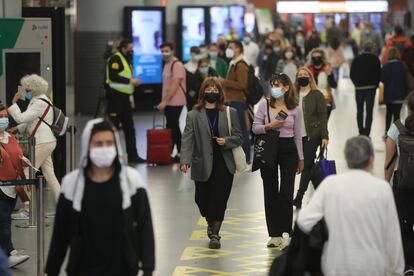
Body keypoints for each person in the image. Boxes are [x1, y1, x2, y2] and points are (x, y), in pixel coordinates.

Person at [45, 119, 155, 276]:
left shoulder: (132, 181)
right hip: (83, 270)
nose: (105, 148)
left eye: (109, 143)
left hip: (122, 269)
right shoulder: (71, 184)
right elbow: (60, 236)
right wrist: (52, 270)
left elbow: (145, 228)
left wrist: (148, 269)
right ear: (87, 146)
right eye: (98, 143)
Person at [297, 136, 404, 276]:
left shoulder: (330, 185)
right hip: (372, 267)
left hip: (335, 266)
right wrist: (396, 271)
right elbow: (392, 236)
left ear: (347, 159)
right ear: (371, 159)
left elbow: (304, 221)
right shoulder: (382, 189)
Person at [180, 78, 243, 249]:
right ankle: (210, 220)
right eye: (209, 88)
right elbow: (187, 139)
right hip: (202, 162)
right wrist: (185, 160)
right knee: (201, 199)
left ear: (220, 93)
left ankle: (215, 234)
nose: (212, 91)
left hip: (224, 162)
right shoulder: (193, 115)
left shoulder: (229, 112)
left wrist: (226, 141)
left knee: (219, 199)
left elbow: (239, 137)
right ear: (203, 92)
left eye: (216, 89)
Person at [252, 73, 304, 249]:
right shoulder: (263, 105)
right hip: (269, 147)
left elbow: (298, 135)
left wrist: (301, 158)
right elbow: (255, 128)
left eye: (279, 85)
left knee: (286, 191)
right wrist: (270, 126)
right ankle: (273, 234)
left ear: (287, 88)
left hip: (288, 149)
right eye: (272, 85)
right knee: (270, 190)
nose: (275, 88)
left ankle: (286, 232)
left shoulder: (295, 108)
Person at [9, 74, 61, 201]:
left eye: (27, 90)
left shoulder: (38, 103)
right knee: (50, 175)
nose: (25, 92)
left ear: (34, 89)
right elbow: (31, 121)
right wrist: (17, 129)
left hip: (43, 142)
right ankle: (62, 205)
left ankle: (28, 208)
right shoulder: (41, 100)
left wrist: (14, 103)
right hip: (47, 141)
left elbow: (21, 118)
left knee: (27, 174)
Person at [385, 91, 414, 272]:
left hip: (402, 185)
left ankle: (409, 265)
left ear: (408, 107)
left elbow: (389, 162)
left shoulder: (397, 127)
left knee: (404, 225)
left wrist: (385, 186)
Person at [292, 67, 329, 209]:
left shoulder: (317, 95)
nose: (302, 76)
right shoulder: (292, 95)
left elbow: (323, 116)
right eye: (299, 75)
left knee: (306, 164)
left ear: (310, 77)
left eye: (304, 74)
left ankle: (299, 197)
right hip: (294, 136)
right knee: (309, 167)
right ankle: (320, 189)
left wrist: (325, 135)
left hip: (312, 136)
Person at [105, 39, 145, 164]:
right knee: (113, 128)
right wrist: (131, 81)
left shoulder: (126, 60)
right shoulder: (116, 58)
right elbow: (113, 76)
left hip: (125, 98)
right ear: (123, 48)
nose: (131, 51)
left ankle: (133, 156)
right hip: (115, 98)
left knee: (129, 128)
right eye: (129, 48)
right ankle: (109, 158)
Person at [0, 103, 30, 268]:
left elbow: (18, 154)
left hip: (12, 187)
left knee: (4, 221)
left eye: (5, 117)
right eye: (0, 117)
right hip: (1, 186)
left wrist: (23, 160)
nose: (4, 120)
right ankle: (9, 252)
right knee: (4, 221)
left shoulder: (10, 137)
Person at [219, 40, 251, 163]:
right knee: (235, 130)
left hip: (237, 101)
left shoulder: (241, 65)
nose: (229, 49)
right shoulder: (233, 63)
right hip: (232, 100)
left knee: (241, 130)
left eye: (231, 47)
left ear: (238, 49)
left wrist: (224, 82)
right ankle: (240, 157)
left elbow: (242, 85)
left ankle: (246, 158)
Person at [157, 42, 187, 163]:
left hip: (176, 101)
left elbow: (174, 85)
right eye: (162, 51)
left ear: (173, 51)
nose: (165, 53)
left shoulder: (177, 64)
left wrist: (165, 102)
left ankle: (180, 153)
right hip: (169, 102)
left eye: (167, 50)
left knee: (173, 127)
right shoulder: (167, 64)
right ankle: (173, 152)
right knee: (171, 127)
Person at [350, 41, 382, 137]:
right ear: (371, 49)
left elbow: (351, 74)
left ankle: (361, 131)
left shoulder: (356, 59)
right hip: (370, 89)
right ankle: (367, 133)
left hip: (359, 89)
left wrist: (357, 84)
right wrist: (375, 85)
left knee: (359, 111)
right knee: (369, 111)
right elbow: (378, 74)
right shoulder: (375, 59)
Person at [381, 47, 408, 139]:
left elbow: (382, 80)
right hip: (400, 94)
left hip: (389, 95)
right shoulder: (403, 66)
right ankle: (397, 134)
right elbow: (406, 79)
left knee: (388, 114)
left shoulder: (385, 66)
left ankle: (387, 132)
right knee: (397, 115)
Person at [307, 48, 337, 120]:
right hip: (312, 102)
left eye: (318, 57)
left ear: (322, 58)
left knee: (323, 126)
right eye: (314, 57)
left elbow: (334, 85)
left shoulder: (327, 69)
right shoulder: (308, 70)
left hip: (326, 101)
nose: (316, 59)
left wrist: (329, 75)